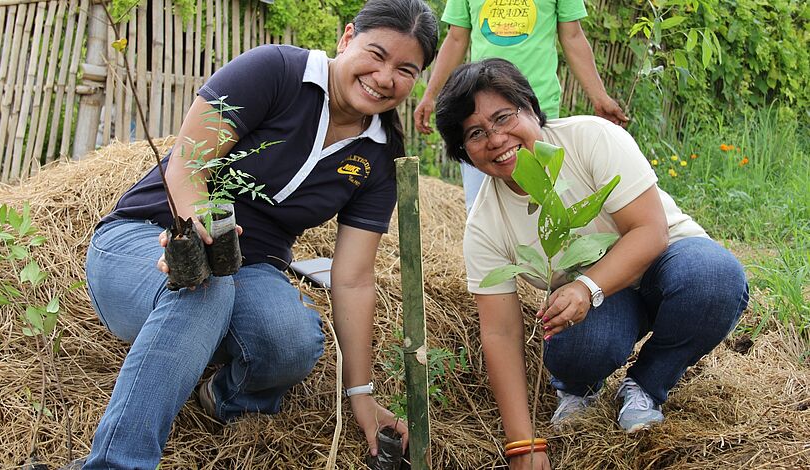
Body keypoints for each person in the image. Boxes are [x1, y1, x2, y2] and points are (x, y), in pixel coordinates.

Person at [77, 1, 438, 468]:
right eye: (376, 53)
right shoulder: (276, 72)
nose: (385, 77)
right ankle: (115, 462)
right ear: (347, 38)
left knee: (290, 340)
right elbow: (188, 166)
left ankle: (224, 397)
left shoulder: (378, 158)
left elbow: (352, 279)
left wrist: (362, 394)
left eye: (405, 69)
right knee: (205, 284)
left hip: (253, 267)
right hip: (148, 237)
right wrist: (196, 234)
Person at [434, 58, 748, 470]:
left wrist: (586, 287)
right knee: (580, 349)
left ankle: (647, 385)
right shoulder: (484, 225)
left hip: (667, 263)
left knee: (714, 279)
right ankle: (579, 390)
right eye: (476, 134)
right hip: (601, 306)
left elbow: (649, 232)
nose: (496, 138)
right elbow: (501, 330)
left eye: (503, 117)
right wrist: (523, 445)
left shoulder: (590, 138)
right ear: (465, 153)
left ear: (530, 108)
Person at [413, 0, 629, 213]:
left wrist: (599, 97)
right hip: (480, 118)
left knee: (546, 206)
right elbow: (456, 38)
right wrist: (431, 95)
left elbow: (572, 36)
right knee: (482, 210)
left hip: (536, 114)